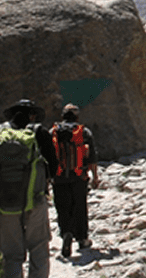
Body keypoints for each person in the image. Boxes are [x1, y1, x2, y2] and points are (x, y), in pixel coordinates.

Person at [0, 99, 58, 278]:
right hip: (35, 199)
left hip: (5, 202)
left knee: (11, 254)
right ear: (32, 115)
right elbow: (54, 166)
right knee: (38, 248)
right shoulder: (39, 132)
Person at [50, 103, 99, 258]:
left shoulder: (53, 132)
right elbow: (92, 157)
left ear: (62, 116)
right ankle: (82, 239)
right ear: (77, 117)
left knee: (62, 207)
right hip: (79, 176)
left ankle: (66, 233)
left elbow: (48, 157)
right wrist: (95, 177)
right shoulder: (84, 132)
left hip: (58, 177)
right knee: (79, 207)